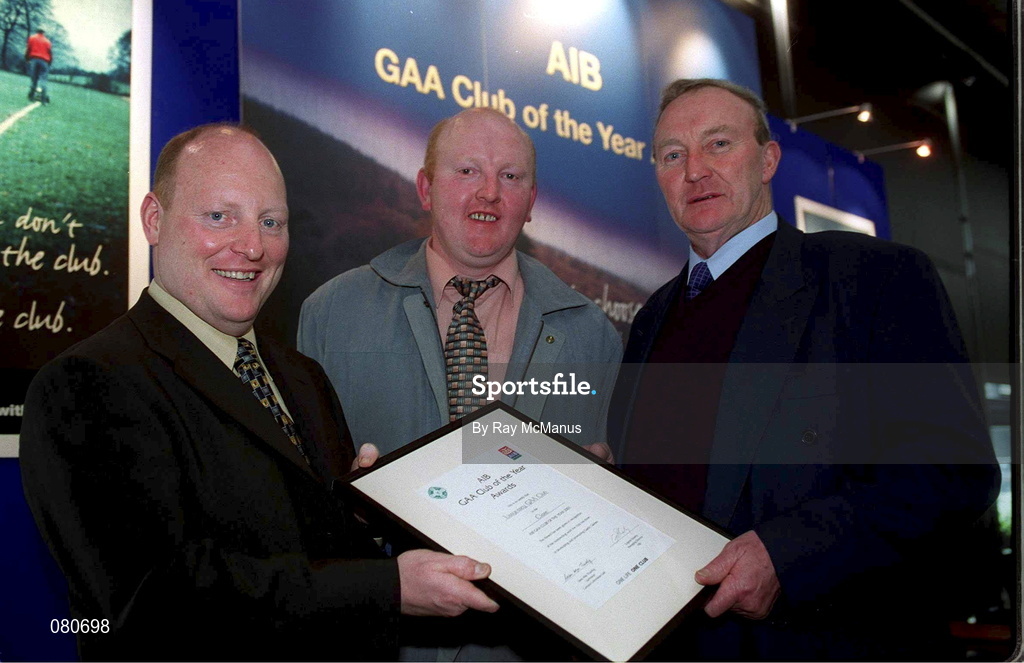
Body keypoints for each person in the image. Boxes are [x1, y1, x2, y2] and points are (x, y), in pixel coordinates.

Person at [20, 124, 500, 662]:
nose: (252, 247)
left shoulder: (302, 376)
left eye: (271, 222)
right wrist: (385, 588)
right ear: (155, 219)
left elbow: (289, 543)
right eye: (219, 217)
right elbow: (150, 602)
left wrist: (354, 516)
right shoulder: (87, 384)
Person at [608, 79, 999, 660]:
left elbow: (951, 474)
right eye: (672, 155)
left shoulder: (875, 279)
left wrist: (787, 555)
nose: (694, 170)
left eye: (718, 144)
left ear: (768, 159)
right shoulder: (649, 321)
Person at [298, 107, 622, 660]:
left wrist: (607, 498)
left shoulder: (592, 336)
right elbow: (298, 513)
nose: (489, 193)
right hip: (381, 642)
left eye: (511, 177)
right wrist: (344, 507)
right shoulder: (330, 313)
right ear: (425, 188)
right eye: (466, 171)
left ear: (532, 201)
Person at [25, 28, 51, 104]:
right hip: (44, 61)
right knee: (43, 80)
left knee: (34, 79)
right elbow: (50, 53)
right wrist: (49, 63)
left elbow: (28, 49)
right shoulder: (47, 41)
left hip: (34, 60)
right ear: (43, 32)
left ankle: (31, 96)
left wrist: (27, 59)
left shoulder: (32, 38)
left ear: (37, 31)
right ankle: (43, 100)